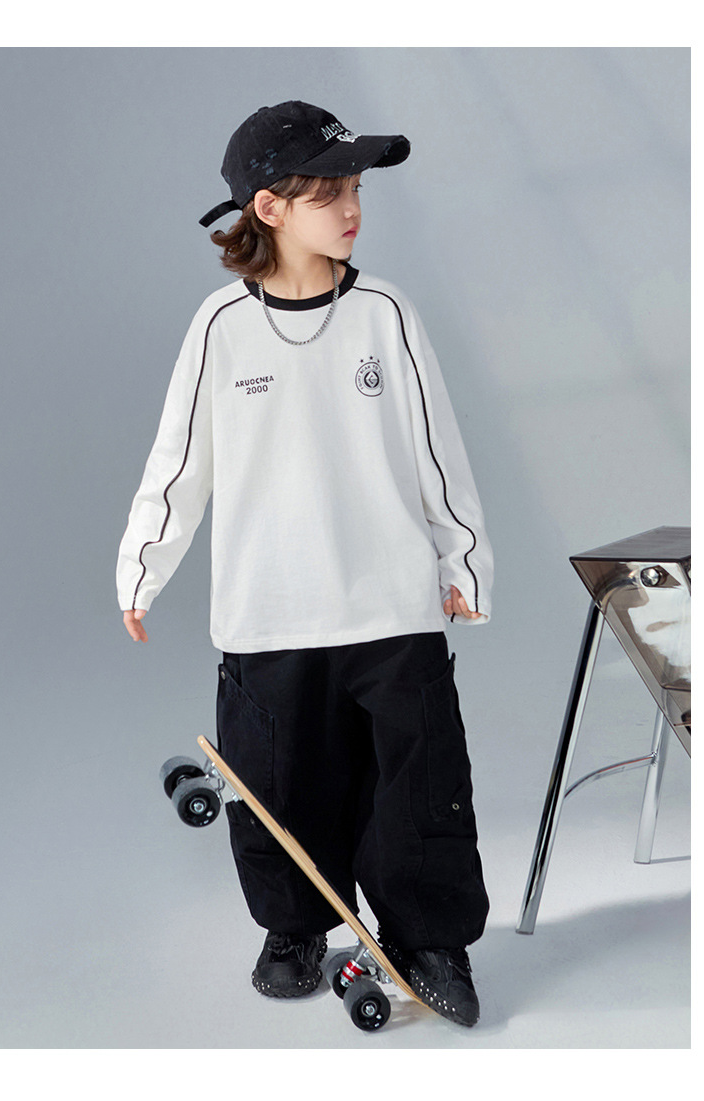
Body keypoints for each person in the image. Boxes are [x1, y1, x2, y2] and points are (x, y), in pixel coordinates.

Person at [117, 100, 494, 1028]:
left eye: (355, 187)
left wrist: (465, 560)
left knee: (419, 784)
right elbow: (179, 462)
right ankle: (294, 931)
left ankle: (428, 939)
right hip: (268, 611)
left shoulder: (385, 314)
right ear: (269, 208)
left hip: (391, 604)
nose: (352, 207)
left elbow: (436, 450)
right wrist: (142, 569)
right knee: (277, 785)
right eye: (328, 193)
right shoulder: (220, 327)